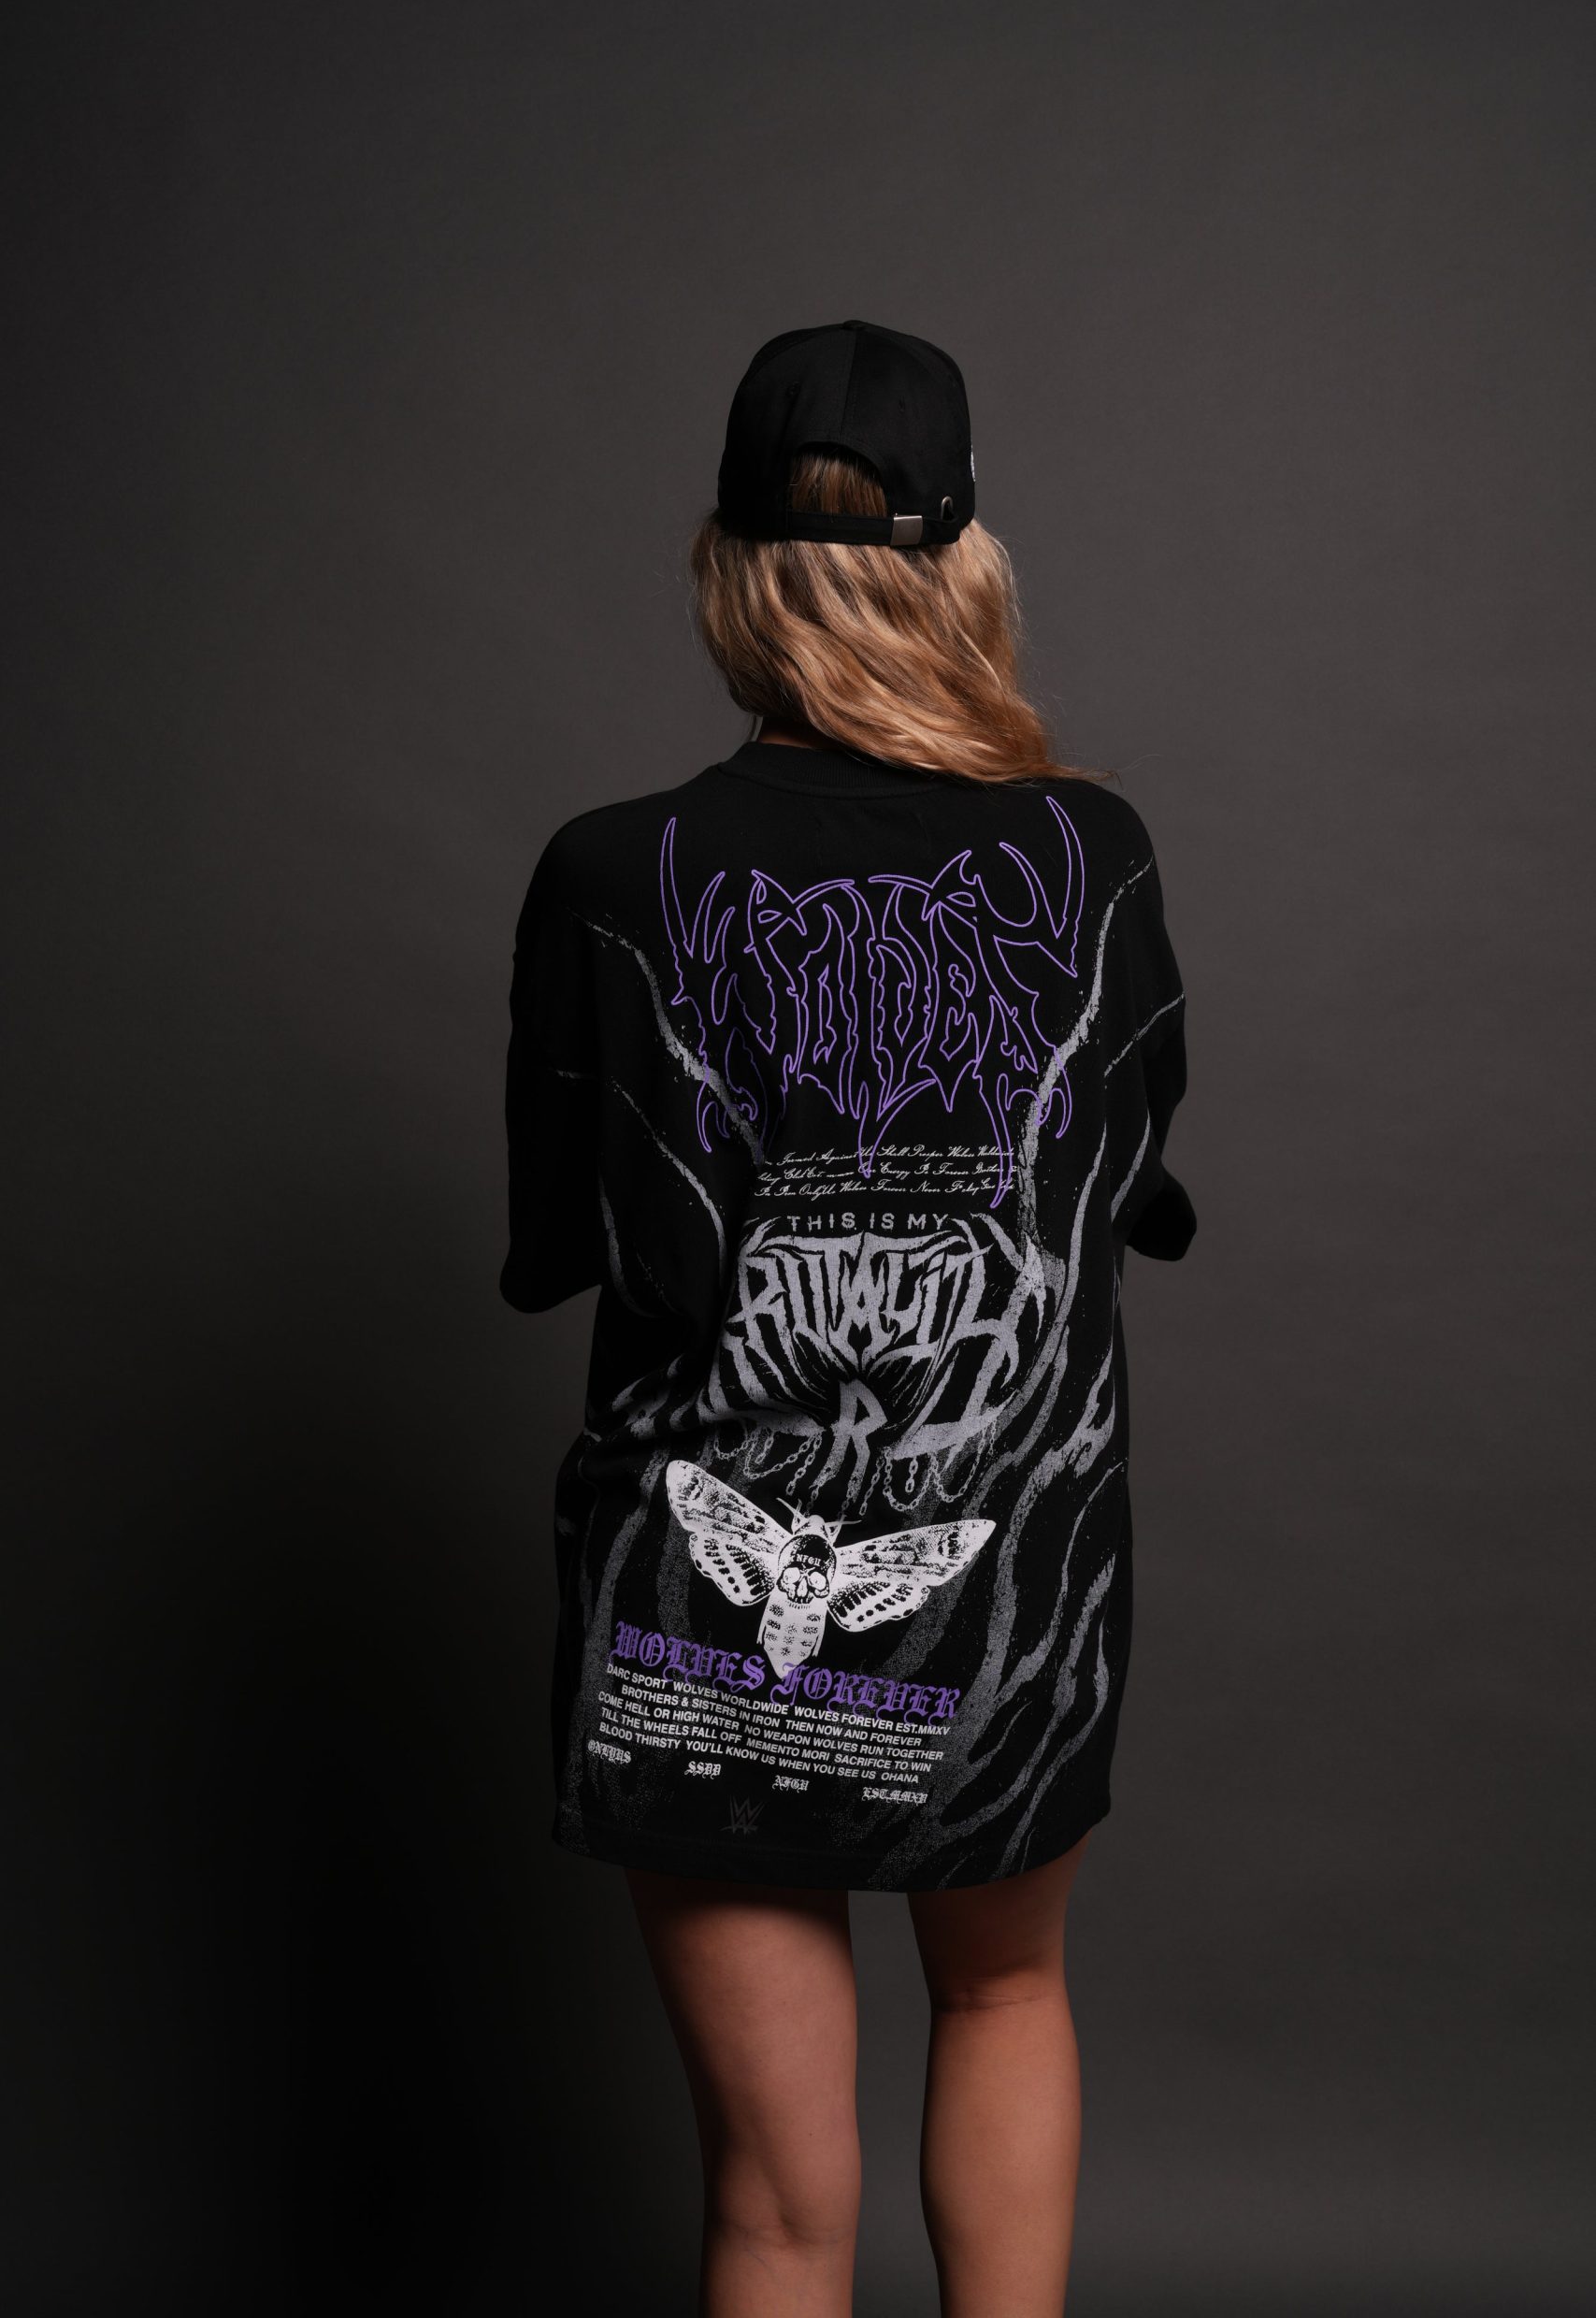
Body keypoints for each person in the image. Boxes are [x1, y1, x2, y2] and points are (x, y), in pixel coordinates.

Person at [499, 319, 1195, 2317]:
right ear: (963, 560)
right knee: (1005, 1993)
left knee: (773, 2206)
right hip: (1004, 1571)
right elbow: (1126, 1181)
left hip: (704, 1593)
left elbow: (566, 1242)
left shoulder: (611, 872)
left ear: (729, 567)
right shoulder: (1089, 853)